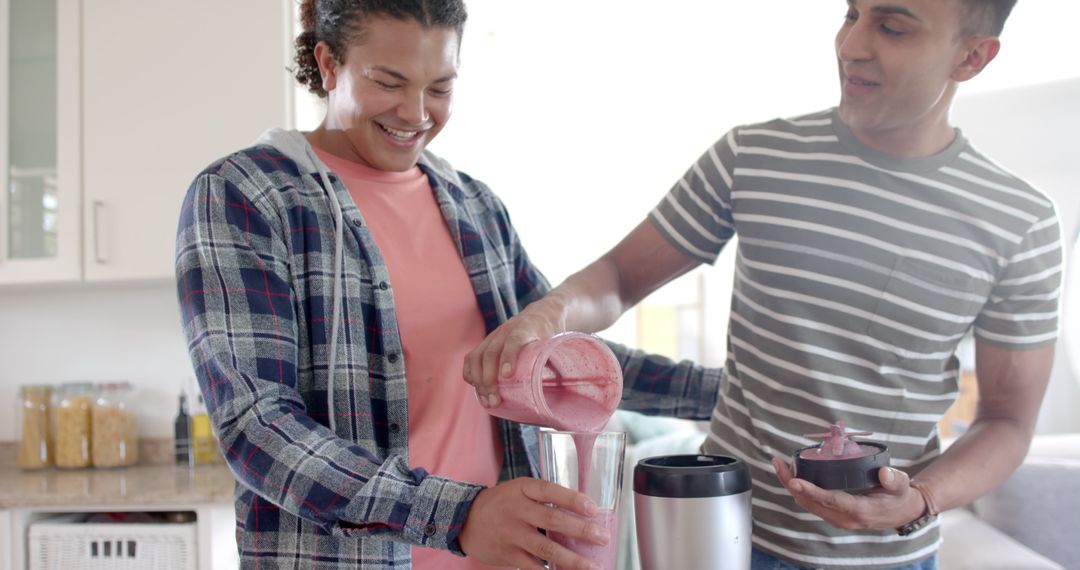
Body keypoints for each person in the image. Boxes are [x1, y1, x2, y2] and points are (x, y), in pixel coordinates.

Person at [465, 1, 1062, 568]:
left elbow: (1007, 421)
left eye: (893, 27)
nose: (851, 45)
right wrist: (546, 315)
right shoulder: (753, 156)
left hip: (887, 559)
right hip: (717, 535)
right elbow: (619, 277)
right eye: (851, 14)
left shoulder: (1020, 223)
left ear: (972, 57)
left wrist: (921, 497)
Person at [175, 1, 720, 568]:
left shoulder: (474, 206)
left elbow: (566, 364)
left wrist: (742, 390)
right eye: (390, 82)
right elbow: (258, 428)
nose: (416, 113)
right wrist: (459, 515)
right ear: (329, 63)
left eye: (440, 87)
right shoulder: (247, 196)